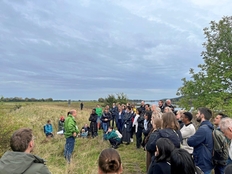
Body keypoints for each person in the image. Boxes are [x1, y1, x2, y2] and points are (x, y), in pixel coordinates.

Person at [187, 107, 214, 174]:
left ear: (202, 115)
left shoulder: (203, 129)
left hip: (202, 161)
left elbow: (191, 141)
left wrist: (190, 138)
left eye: (198, 113)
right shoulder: (209, 127)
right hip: (207, 159)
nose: (196, 115)